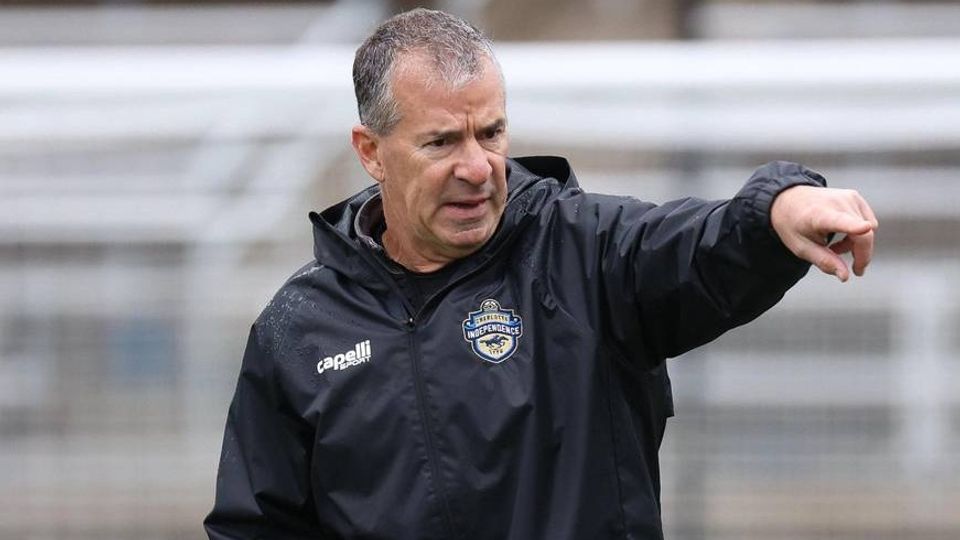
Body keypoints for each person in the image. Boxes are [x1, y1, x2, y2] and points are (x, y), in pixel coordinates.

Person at [204, 8, 877, 540]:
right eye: (442, 142)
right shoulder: (300, 329)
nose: (477, 167)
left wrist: (774, 211)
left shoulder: (584, 254)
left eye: (491, 133)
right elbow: (257, 524)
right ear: (371, 152)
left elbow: (695, 248)